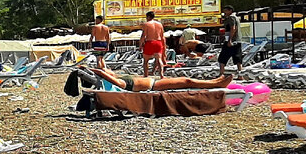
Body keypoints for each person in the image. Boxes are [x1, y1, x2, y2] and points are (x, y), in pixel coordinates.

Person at [85, 66, 232, 93]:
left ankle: (215, 82)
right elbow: (104, 73)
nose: (107, 69)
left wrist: (99, 70)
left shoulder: (119, 76)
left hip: (156, 82)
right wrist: (94, 71)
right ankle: (217, 84)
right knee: (187, 81)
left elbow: (105, 69)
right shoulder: (120, 82)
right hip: (154, 86)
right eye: (106, 71)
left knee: (186, 80)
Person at [139, 11, 167, 78]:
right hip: (158, 42)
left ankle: (146, 75)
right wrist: (164, 46)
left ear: (148, 17)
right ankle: (161, 74)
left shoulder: (146, 24)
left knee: (146, 61)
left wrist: (140, 44)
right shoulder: (159, 24)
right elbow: (162, 36)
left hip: (149, 42)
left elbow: (143, 36)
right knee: (159, 59)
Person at [219, 5, 244, 74]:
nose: (225, 12)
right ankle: (240, 74)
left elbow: (233, 28)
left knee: (222, 58)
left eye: (226, 11)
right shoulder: (236, 18)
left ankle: (221, 74)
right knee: (238, 59)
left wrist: (229, 40)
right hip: (237, 41)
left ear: (230, 10)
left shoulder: (231, 18)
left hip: (231, 41)